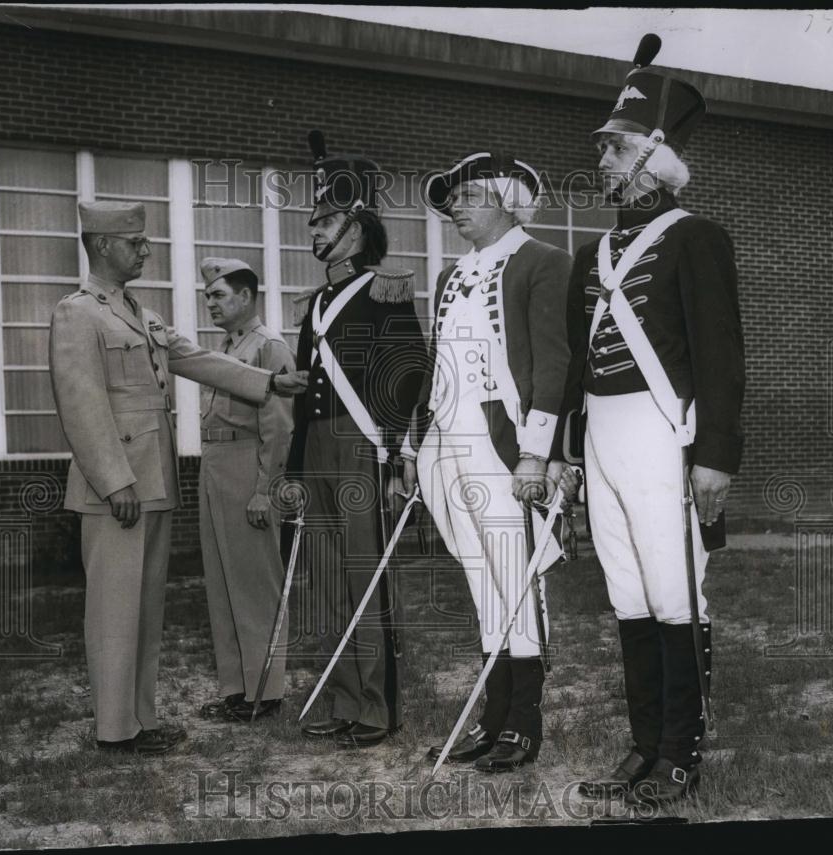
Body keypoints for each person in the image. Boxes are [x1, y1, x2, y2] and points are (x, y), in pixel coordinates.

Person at [549, 35, 746, 806]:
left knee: (674, 593)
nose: (602, 160)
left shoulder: (695, 238)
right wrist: (566, 450)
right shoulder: (591, 253)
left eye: (616, 146)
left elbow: (721, 357)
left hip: (665, 432)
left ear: (654, 156)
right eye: (604, 147)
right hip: (601, 434)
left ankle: (680, 754)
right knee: (627, 593)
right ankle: (643, 747)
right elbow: (575, 364)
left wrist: (716, 456)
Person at [50, 201, 307, 755]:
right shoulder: (79, 313)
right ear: (101, 246)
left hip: (154, 484)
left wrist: (271, 384)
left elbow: (193, 360)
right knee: (115, 610)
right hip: (117, 487)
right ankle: (115, 730)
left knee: (143, 610)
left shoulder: (139, 313)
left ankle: (137, 721)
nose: (145, 250)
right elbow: (81, 405)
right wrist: (114, 481)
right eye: (134, 242)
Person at [401, 151, 572, 771]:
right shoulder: (451, 275)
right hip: (450, 446)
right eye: (452, 197)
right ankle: (493, 718)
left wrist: (538, 453)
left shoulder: (544, 261)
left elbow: (554, 362)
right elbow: (438, 363)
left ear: (508, 198)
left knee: (517, 584)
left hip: (506, 449)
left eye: (470, 195)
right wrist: (417, 443)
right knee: (483, 586)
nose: (455, 207)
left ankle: (523, 725)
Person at [287, 131, 428, 749]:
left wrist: (396, 453)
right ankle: (344, 698)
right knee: (323, 576)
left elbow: (407, 375)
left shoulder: (385, 291)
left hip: (360, 447)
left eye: (327, 220)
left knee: (364, 575)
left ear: (359, 225)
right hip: (317, 448)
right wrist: (293, 468)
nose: (315, 232)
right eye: (315, 220)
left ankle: (377, 707)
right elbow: (302, 396)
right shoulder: (313, 304)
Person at [196, 257, 295, 724]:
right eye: (208, 295)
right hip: (216, 466)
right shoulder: (229, 345)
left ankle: (265, 691)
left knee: (256, 584)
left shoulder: (268, 347)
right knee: (223, 584)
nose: (209, 303)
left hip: (247, 467)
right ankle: (237, 688)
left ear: (246, 296)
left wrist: (265, 489)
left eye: (218, 294)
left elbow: (278, 427)